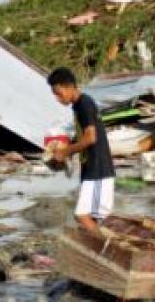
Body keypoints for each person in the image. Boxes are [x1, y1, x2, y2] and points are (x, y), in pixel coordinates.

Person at [47, 67, 115, 236]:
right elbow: (83, 137)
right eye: (55, 95)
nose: (57, 98)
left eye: (58, 93)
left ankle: (106, 248)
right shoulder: (78, 106)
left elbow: (91, 138)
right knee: (90, 218)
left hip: (99, 169)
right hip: (91, 169)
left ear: (69, 86)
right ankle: (102, 246)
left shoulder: (85, 104)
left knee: (83, 216)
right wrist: (65, 149)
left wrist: (65, 152)